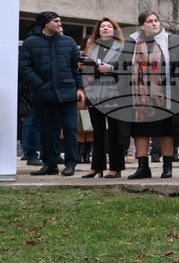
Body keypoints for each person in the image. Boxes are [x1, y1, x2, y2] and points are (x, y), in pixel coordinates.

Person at [18, 11, 85, 176]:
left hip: (67, 92)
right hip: (44, 94)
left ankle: (71, 163)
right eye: (56, 21)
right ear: (46, 23)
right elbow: (24, 67)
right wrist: (40, 85)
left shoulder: (69, 42)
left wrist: (79, 88)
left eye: (60, 21)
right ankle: (50, 164)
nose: (59, 23)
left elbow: (76, 67)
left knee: (70, 128)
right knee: (47, 130)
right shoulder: (30, 42)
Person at [124, 11, 179, 180]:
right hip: (139, 96)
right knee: (140, 131)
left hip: (164, 94)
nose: (154, 23)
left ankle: (167, 167)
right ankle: (143, 167)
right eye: (150, 21)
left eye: (156, 20)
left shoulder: (171, 40)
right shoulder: (132, 41)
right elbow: (124, 65)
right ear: (142, 25)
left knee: (165, 131)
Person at [80, 17, 127, 179]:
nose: (105, 28)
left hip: (113, 92)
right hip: (94, 92)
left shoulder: (122, 47)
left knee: (114, 131)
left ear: (114, 30)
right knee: (97, 132)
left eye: (109, 26)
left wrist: (111, 68)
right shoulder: (93, 47)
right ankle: (96, 167)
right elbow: (87, 71)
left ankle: (116, 167)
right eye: (102, 26)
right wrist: (84, 68)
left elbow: (128, 68)